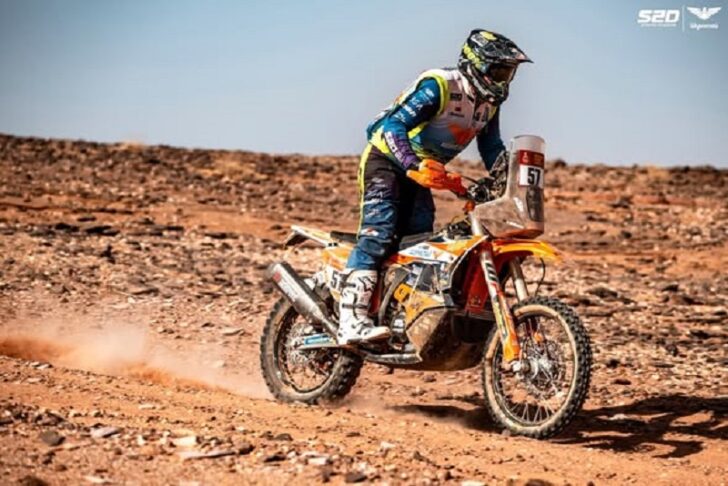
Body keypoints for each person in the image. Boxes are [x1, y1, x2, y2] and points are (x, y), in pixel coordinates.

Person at [337, 29, 531, 345]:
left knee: (419, 243)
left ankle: (396, 315)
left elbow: (491, 146)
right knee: (379, 234)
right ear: (476, 64)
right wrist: (412, 165)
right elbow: (389, 127)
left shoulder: (489, 104)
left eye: (508, 73)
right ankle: (350, 320)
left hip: (424, 171)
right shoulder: (440, 85)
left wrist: (510, 180)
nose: (503, 80)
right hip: (387, 162)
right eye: (498, 71)